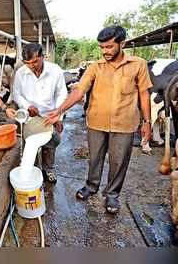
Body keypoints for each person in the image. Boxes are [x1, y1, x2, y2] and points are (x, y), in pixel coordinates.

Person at [44, 26, 152, 214]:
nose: (105, 52)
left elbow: (144, 93)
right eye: (102, 48)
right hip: (96, 122)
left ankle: (112, 194)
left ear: (122, 43)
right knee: (95, 158)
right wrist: (59, 109)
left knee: (119, 162)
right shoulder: (95, 67)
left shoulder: (138, 64)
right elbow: (79, 91)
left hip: (125, 124)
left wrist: (147, 122)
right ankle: (91, 186)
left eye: (109, 47)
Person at [13, 43, 68, 183]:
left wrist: (59, 116)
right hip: (30, 116)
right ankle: (34, 170)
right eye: (28, 63)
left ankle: (48, 169)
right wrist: (27, 105)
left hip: (50, 115)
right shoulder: (21, 73)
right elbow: (17, 94)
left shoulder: (55, 71)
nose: (31, 66)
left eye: (35, 62)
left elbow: (62, 94)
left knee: (50, 143)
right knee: (30, 143)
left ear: (43, 57)